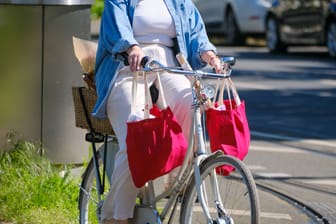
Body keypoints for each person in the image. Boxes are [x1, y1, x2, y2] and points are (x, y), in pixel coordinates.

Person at [92, 0, 222, 223]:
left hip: (168, 67)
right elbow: (116, 27)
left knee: (192, 103)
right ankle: (114, 216)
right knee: (136, 139)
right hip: (126, 70)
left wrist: (208, 54)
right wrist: (132, 47)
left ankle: (176, 180)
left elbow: (196, 32)